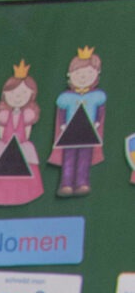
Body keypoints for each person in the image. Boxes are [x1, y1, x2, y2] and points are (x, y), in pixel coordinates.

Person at [0, 61, 43, 205]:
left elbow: (26, 132)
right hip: (5, 144)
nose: (18, 97)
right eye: (13, 93)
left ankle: (23, 193)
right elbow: (2, 132)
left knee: (27, 164)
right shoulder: (4, 115)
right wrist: (5, 144)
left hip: (21, 145)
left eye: (23, 93)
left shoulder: (27, 115)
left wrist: (21, 143)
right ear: (5, 94)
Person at [51, 48, 106, 196]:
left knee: (84, 158)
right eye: (78, 73)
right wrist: (63, 124)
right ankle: (66, 183)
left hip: (87, 132)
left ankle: (82, 182)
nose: (83, 77)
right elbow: (62, 111)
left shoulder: (96, 96)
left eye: (88, 73)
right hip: (70, 132)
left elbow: (100, 111)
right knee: (68, 158)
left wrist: (97, 123)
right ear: (71, 75)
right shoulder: (67, 97)